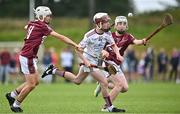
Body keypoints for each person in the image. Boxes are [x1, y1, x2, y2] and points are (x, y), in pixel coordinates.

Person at [42, 12, 125, 112]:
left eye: (108, 22)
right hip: (88, 61)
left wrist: (118, 55)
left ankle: (53, 70)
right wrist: (86, 62)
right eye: (105, 22)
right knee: (104, 82)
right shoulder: (89, 35)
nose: (108, 24)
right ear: (99, 24)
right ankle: (109, 107)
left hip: (95, 61)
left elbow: (113, 45)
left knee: (77, 80)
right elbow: (78, 50)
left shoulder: (107, 34)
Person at [5, 6, 81, 113]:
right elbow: (61, 37)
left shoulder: (33, 22)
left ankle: (11, 95)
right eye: (48, 16)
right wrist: (75, 44)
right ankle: (16, 104)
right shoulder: (42, 26)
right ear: (41, 17)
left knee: (35, 82)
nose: (50, 18)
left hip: (29, 56)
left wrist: (28, 27)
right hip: (28, 57)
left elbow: (28, 25)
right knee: (31, 84)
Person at [93, 16, 147, 106]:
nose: (122, 26)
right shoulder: (108, 35)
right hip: (108, 62)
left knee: (125, 88)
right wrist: (103, 52)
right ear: (115, 26)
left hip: (117, 64)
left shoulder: (128, 37)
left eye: (124, 24)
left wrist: (143, 41)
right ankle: (107, 106)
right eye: (119, 23)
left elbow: (137, 42)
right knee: (119, 85)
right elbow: (100, 48)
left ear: (127, 26)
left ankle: (102, 84)